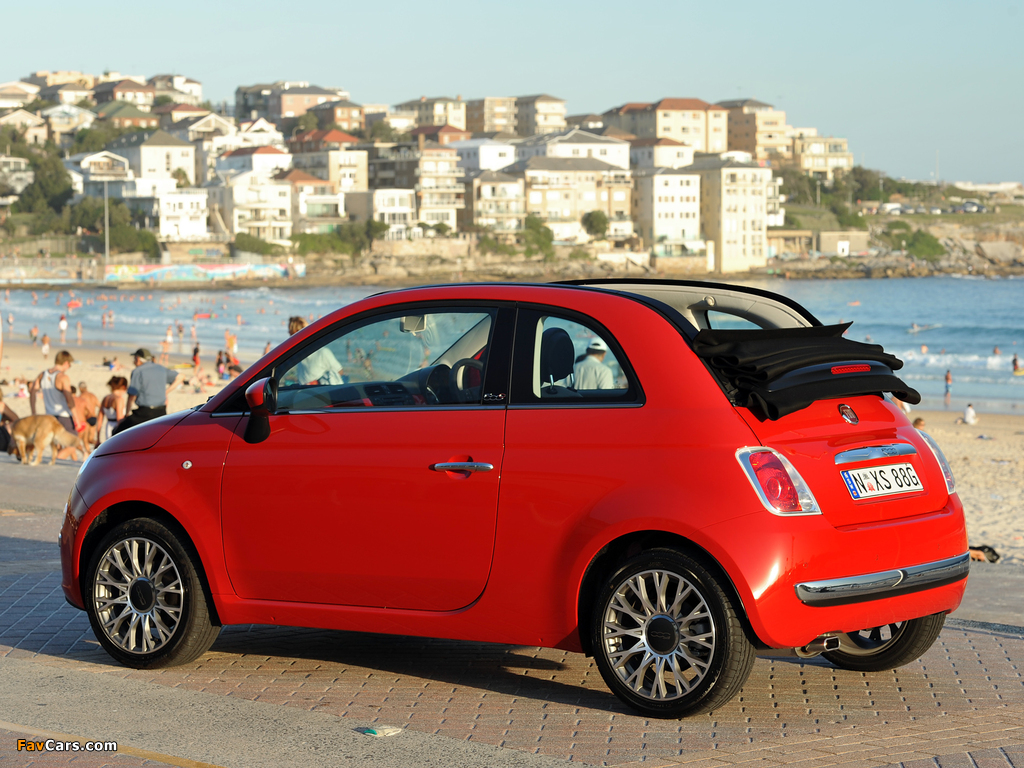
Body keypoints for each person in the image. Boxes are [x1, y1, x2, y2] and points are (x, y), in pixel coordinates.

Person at [111, 349, 185, 436]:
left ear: (138, 359)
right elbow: (181, 376)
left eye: (134, 359)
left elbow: (131, 396)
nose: (134, 361)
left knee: (117, 433)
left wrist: (126, 415)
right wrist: (166, 391)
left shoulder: (137, 371)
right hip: (161, 412)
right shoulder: (161, 368)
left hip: (144, 413)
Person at [29, 350, 81, 459]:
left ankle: (60, 461)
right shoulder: (63, 377)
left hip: (49, 416)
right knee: (73, 443)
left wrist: (33, 411)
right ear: (65, 362)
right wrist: (76, 418)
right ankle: (57, 461)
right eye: (69, 364)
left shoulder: (42, 375)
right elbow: (69, 399)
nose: (69, 367)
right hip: (63, 416)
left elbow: (32, 392)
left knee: (58, 445)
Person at [99, 376, 128, 442]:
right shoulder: (119, 399)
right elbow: (119, 419)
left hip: (108, 426)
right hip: (116, 428)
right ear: (124, 387)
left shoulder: (105, 398)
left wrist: (98, 438)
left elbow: (100, 419)